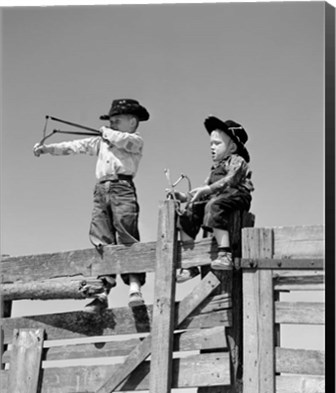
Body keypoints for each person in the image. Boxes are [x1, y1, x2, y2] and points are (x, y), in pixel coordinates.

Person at [33, 98, 150, 311]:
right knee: (101, 238)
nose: (111, 123)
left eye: (117, 120)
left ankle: (134, 286)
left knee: (127, 234)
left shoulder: (134, 140)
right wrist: (48, 149)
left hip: (122, 187)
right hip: (101, 189)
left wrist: (107, 132)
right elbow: (75, 146)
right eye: (110, 120)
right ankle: (102, 290)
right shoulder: (103, 141)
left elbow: (122, 140)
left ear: (132, 122)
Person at [171, 115, 254, 283]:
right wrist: (184, 197)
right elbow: (204, 190)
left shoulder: (237, 161)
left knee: (214, 205)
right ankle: (189, 262)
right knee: (189, 211)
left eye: (217, 143)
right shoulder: (214, 170)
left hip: (237, 193)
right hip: (217, 195)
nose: (212, 147)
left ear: (232, 147)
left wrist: (208, 189)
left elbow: (230, 180)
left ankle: (225, 253)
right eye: (211, 144)